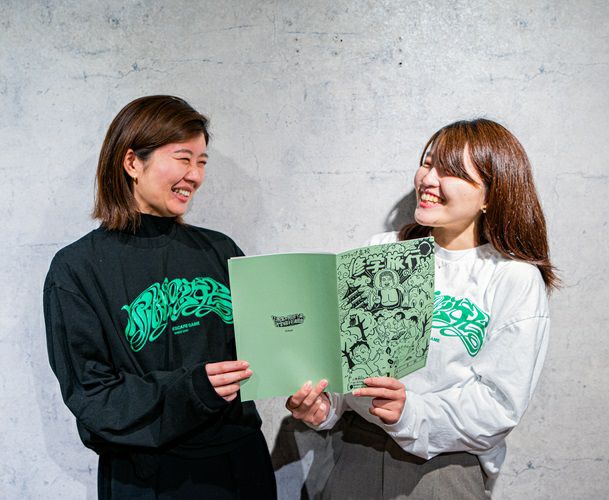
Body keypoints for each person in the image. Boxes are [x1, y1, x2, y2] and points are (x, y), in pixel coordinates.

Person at [285, 118, 558, 498]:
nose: (428, 180)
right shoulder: (381, 251)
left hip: (444, 469)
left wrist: (409, 412)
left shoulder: (512, 277)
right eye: (427, 164)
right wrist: (324, 407)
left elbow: (499, 405)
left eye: (450, 171)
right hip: (355, 452)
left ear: (490, 195)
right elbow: (349, 359)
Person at [43, 95, 277, 499]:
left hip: (240, 467)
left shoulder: (220, 250)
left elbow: (264, 351)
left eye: (202, 162)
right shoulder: (77, 269)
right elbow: (93, 395)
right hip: (145, 477)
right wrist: (192, 390)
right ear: (132, 162)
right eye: (183, 159)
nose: (195, 175)